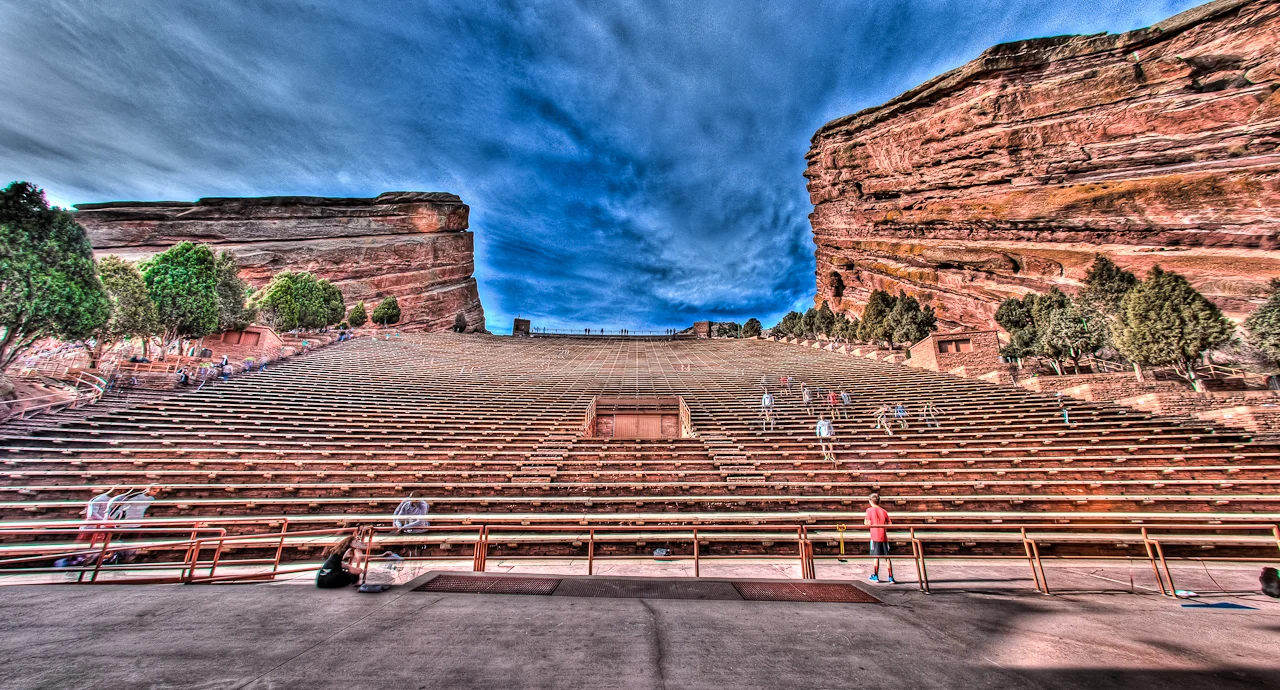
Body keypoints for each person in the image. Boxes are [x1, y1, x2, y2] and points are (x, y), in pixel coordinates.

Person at [865, 493, 895, 584]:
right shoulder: (884, 511)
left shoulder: (869, 510)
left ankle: (876, 575)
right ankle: (891, 577)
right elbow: (890, 524)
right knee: (887, 557)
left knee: (876, 556)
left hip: (874, 536)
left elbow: (867, 523)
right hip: (884, 536)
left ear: (870, 501)